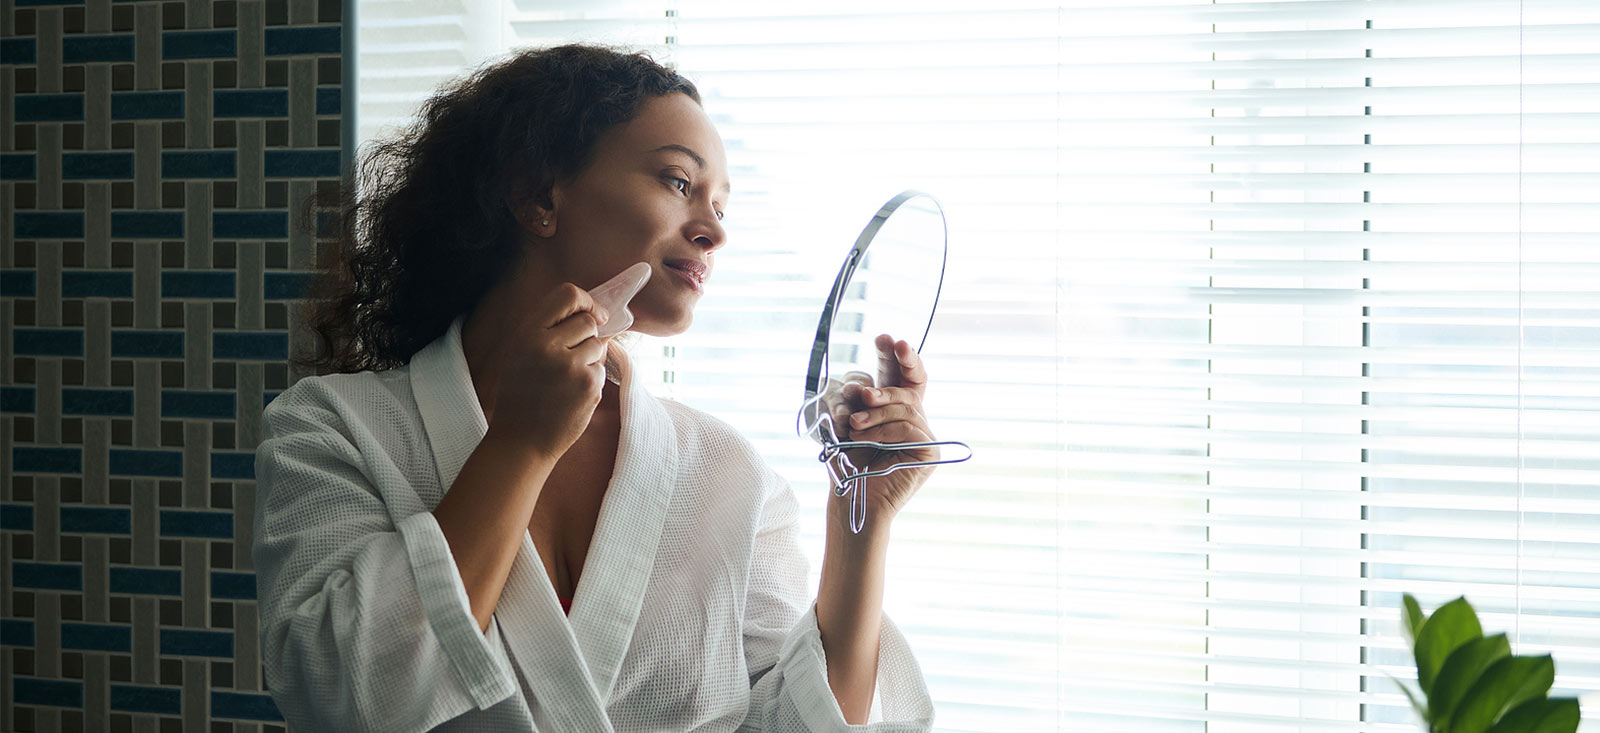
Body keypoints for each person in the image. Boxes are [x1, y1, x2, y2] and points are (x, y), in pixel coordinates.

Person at [253, 44, 940, 732]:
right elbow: (342, 694)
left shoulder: (728, 473)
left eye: (721, 207)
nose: (712, 231)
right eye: (678, 181)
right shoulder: (333, 428)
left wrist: (862, 517)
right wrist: (517, 447)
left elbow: (798, 723)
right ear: (538, 194)